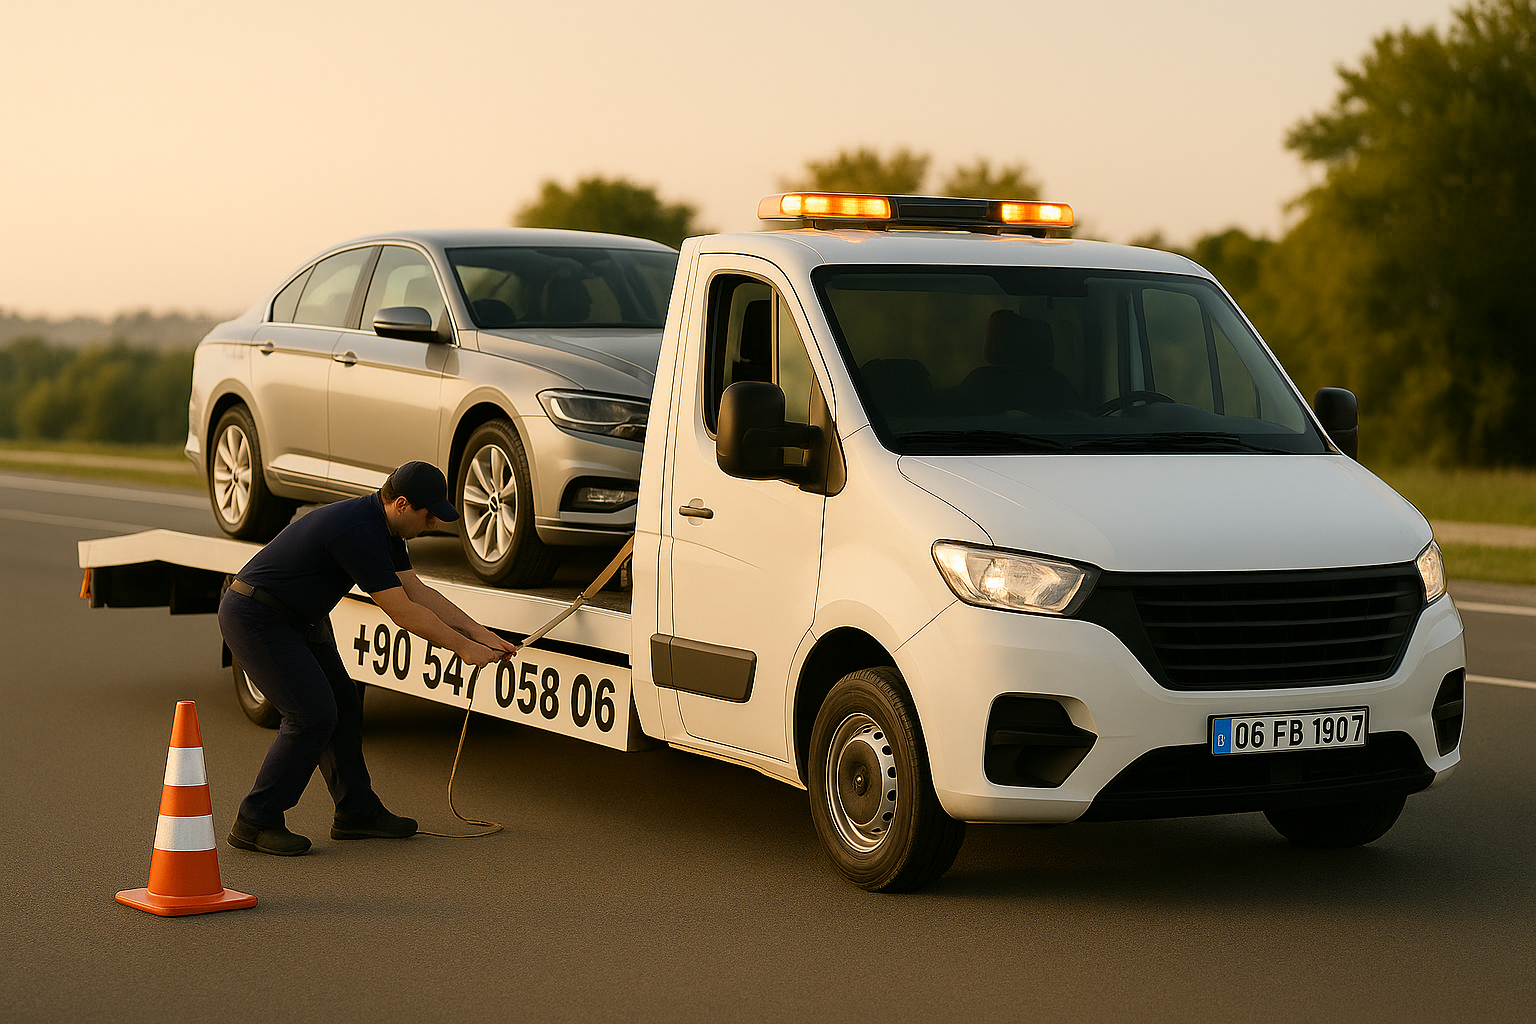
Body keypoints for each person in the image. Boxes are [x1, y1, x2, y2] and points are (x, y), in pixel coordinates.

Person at [219, 461, 515, 856]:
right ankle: (256, 820)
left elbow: (417, 593)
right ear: (403, 504)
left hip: (301, 617)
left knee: (343, 702)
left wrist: (480, 634)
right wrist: (462, 648)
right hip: (258, 616)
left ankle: (356, 812)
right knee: (312, 715)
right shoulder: (359, 530)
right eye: (428, 516)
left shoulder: (385, 526)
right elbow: (403, 612)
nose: (432, 526)